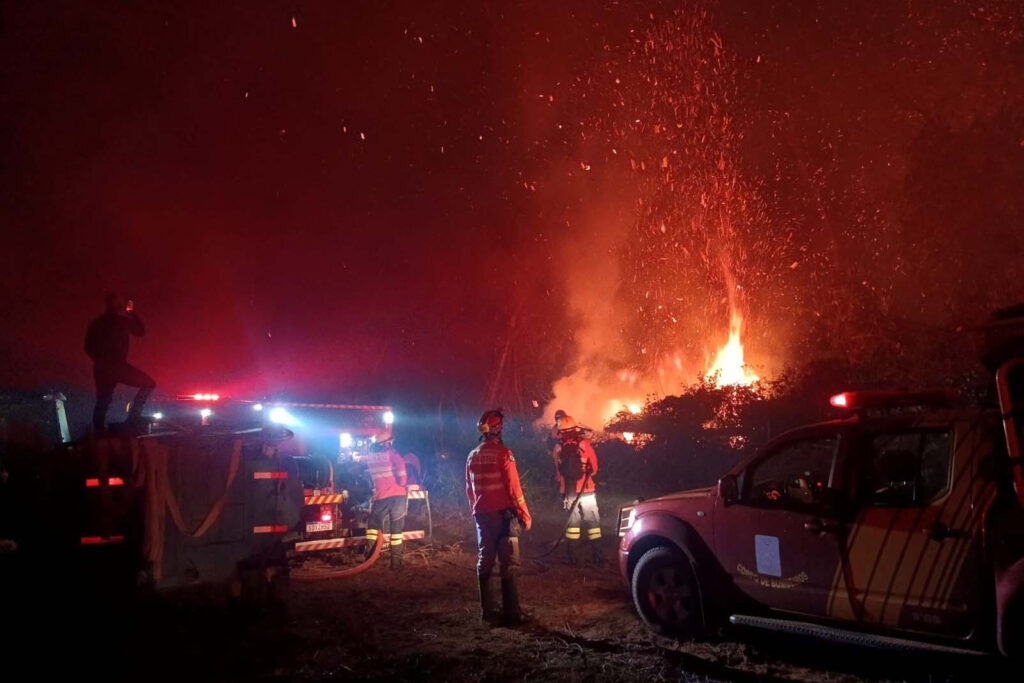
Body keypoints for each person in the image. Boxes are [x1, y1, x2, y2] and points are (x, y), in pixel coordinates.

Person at [466, 409, 532, 625]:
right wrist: (525, 515)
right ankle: (512, 613)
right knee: (509, 561)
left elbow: (470, 490)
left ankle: (488, 611)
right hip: (503, 517)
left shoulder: (472, 456)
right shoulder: (504, 454)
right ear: (496, 429)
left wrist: (476, 511)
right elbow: (514, 489)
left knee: (485, 559)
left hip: (482, 515)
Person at [84, 292, 156, 432]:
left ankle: (99, 431)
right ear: (118, 305)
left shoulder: (97, 323)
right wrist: (132, 313)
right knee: (149, 384)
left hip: (102, 368)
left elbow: (87, 346)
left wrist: (99, 360)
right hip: (117, 366)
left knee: (103, 400)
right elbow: (141, 332)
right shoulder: (123, 321)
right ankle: (134, 417)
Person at [554, 414, 602, 566]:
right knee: (593, 523)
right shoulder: (585, 444)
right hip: (587, 490)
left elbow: (558, 473)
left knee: (572, 525)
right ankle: (597, 556)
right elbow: (594, 469)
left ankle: (573, 557)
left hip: (569, 492)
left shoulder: (557, 448)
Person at [361, 436, 408, 569]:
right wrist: (402, 484)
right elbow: (402, 472)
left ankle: (368, 559)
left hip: (380, 497)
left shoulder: (370, 458)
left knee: (373, 527)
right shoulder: (392, 455)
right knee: (396, 531)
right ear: (386, 443)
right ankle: (396, 564)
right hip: (398, 496)